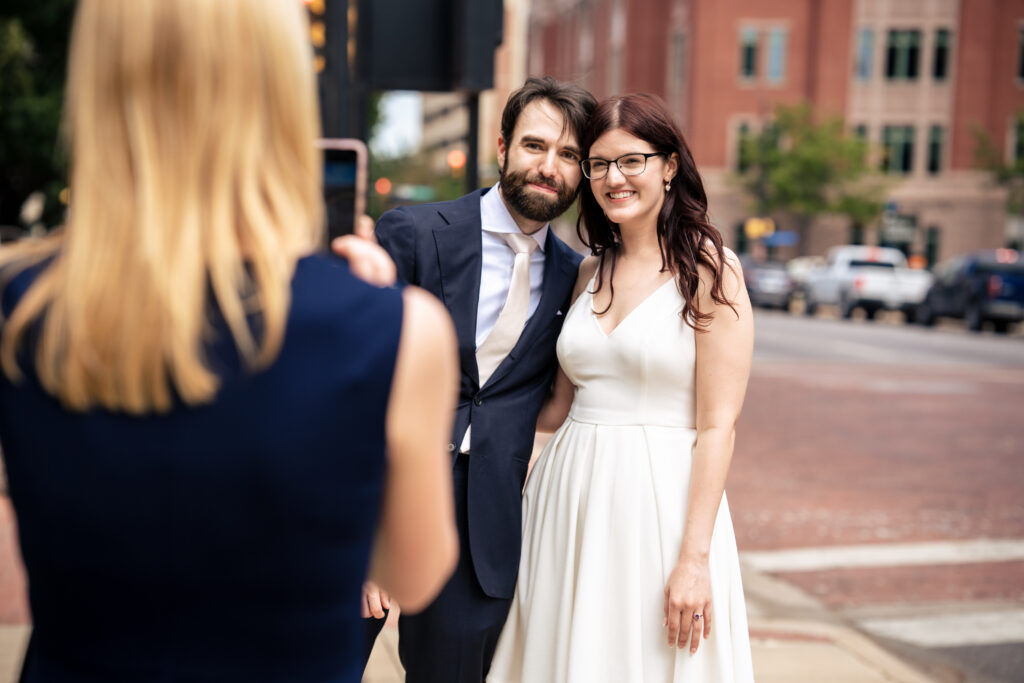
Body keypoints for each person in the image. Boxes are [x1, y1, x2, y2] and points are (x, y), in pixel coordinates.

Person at [0, 1, 458, 681]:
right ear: (280, 87)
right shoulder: (396, 331)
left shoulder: (20, 309)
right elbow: (413, 576)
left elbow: (13, 592)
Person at [487, 93, 756, 682]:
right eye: (600, 164)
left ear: (668, 166)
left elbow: (718, 426)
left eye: (631, 161)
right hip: (567, 501)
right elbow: (554, 408)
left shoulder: (712, 270)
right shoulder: (586, 271)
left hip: (658, 503)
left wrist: (694, 558)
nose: (614, 178)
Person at [351, 77, 596, 683]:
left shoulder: (575, 276)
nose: (550, 168)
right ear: (502, 147)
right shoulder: (410, 233)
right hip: (375, 495)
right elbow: (353, 381)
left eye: (569, 156)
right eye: (536, 146)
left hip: (482, 529)